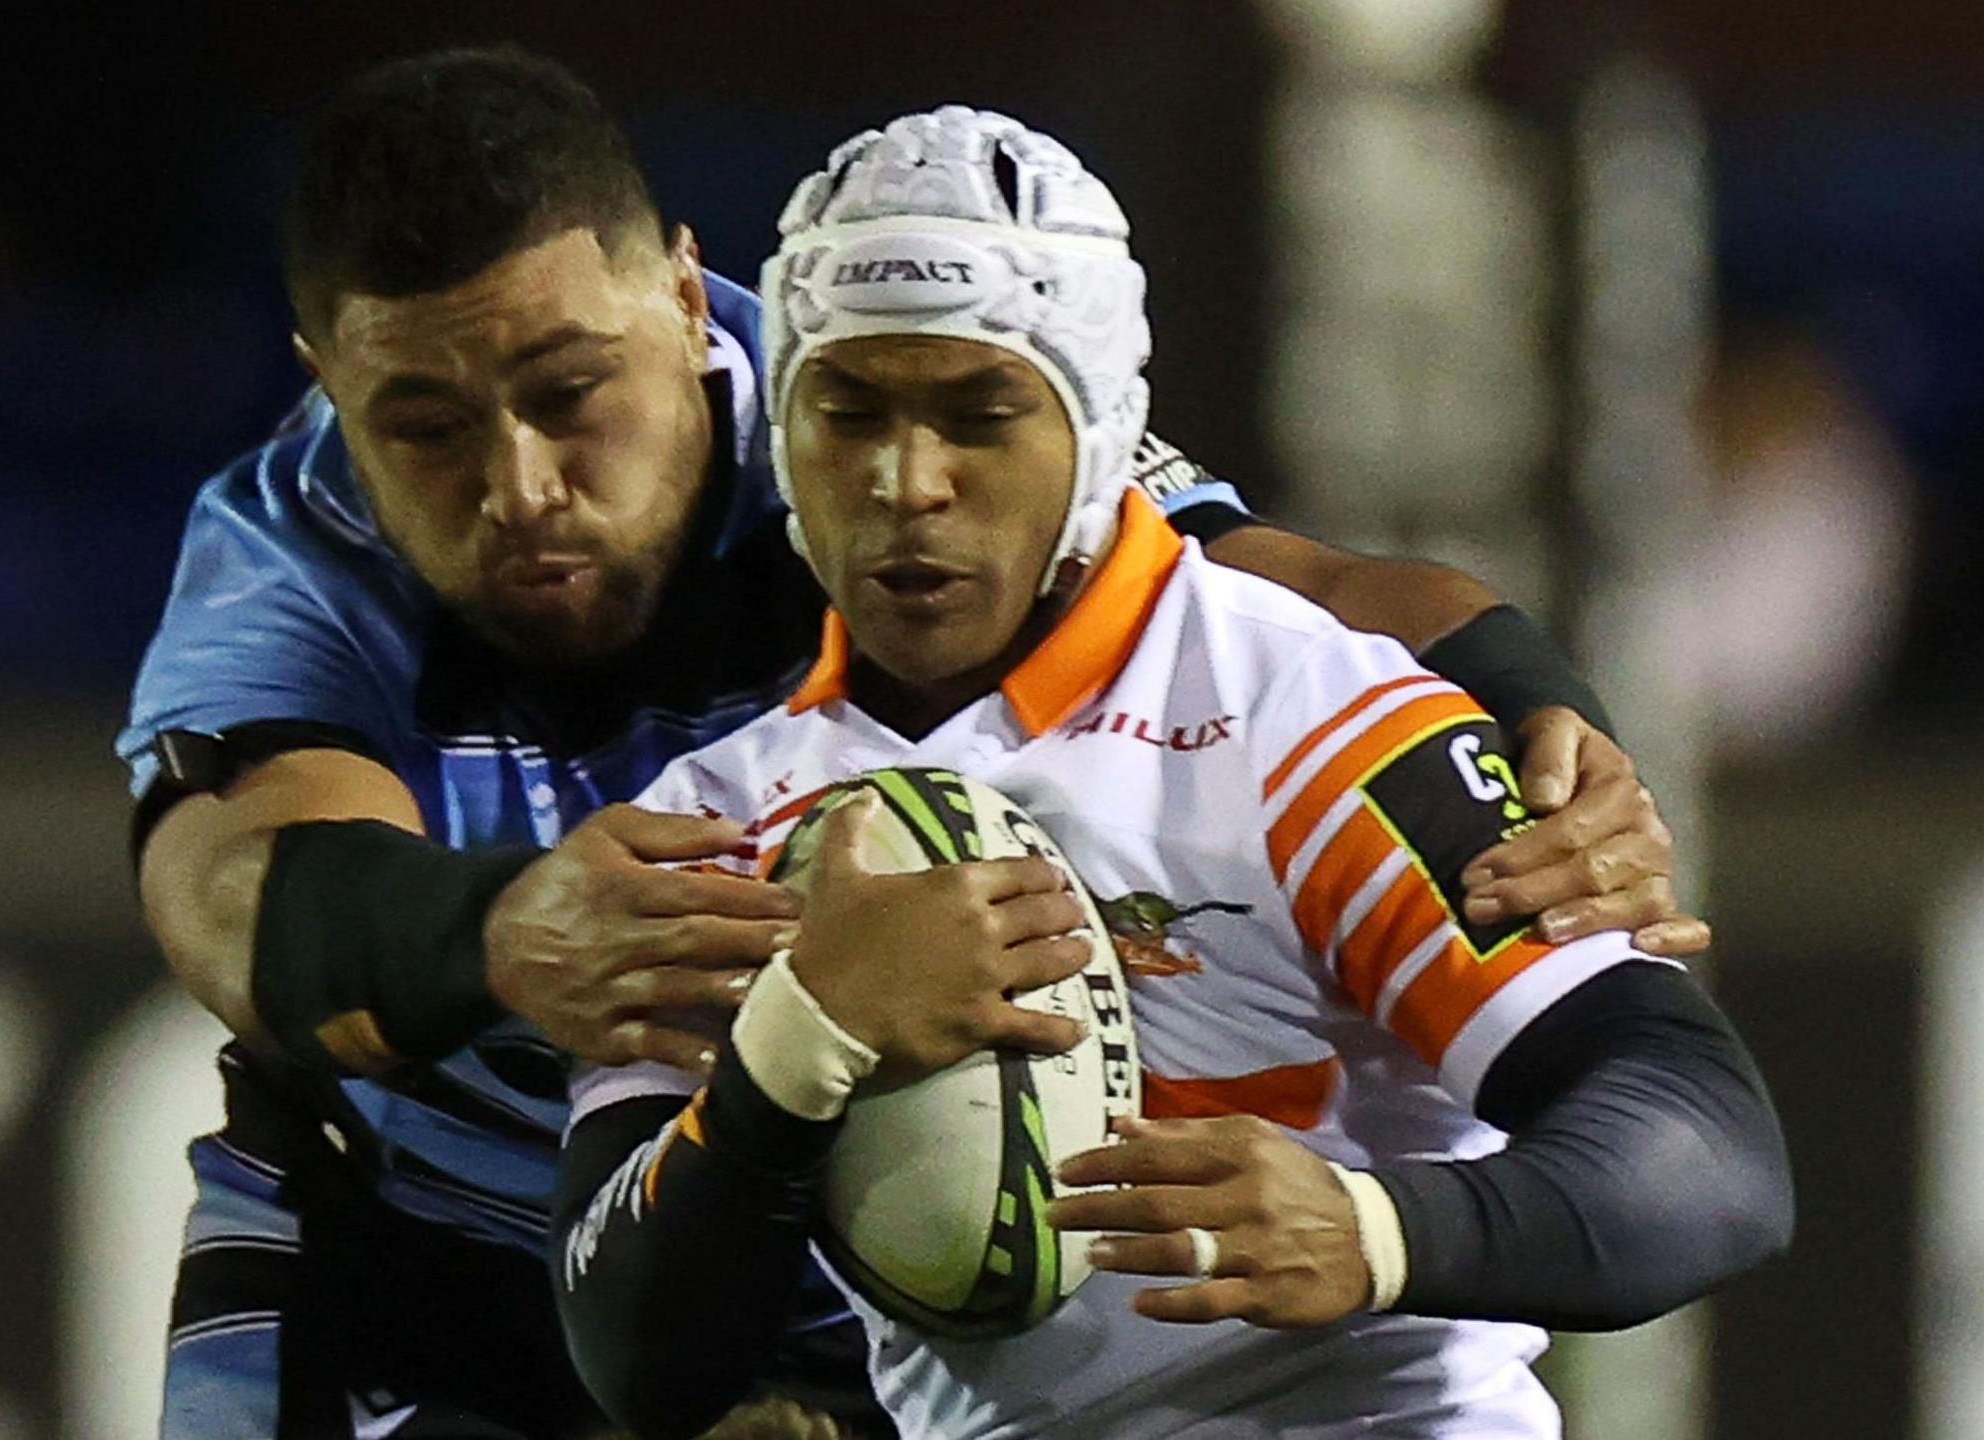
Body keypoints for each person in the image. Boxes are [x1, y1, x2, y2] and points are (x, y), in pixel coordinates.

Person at [122, 47, 1706, 1440]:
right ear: (327, 385)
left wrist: (1552, 731)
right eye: (425, 426)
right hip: (418, 1227)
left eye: (569, 391)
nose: (522, 482)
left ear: (686, 302)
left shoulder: (869, 390)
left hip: (826, 1231)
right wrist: (504, 933)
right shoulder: (290, 544)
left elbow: (1314, 591)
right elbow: (228, 888)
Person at [551, 107, 1791, 1440]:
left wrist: (1381, 1229)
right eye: (848, 412)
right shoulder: (712, 829)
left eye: (980, 415)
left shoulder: (1307, 718)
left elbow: (1706, 1155)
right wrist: (805, 1039)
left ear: (1098, 440)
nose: (907, 481)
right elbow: (634, 1352)